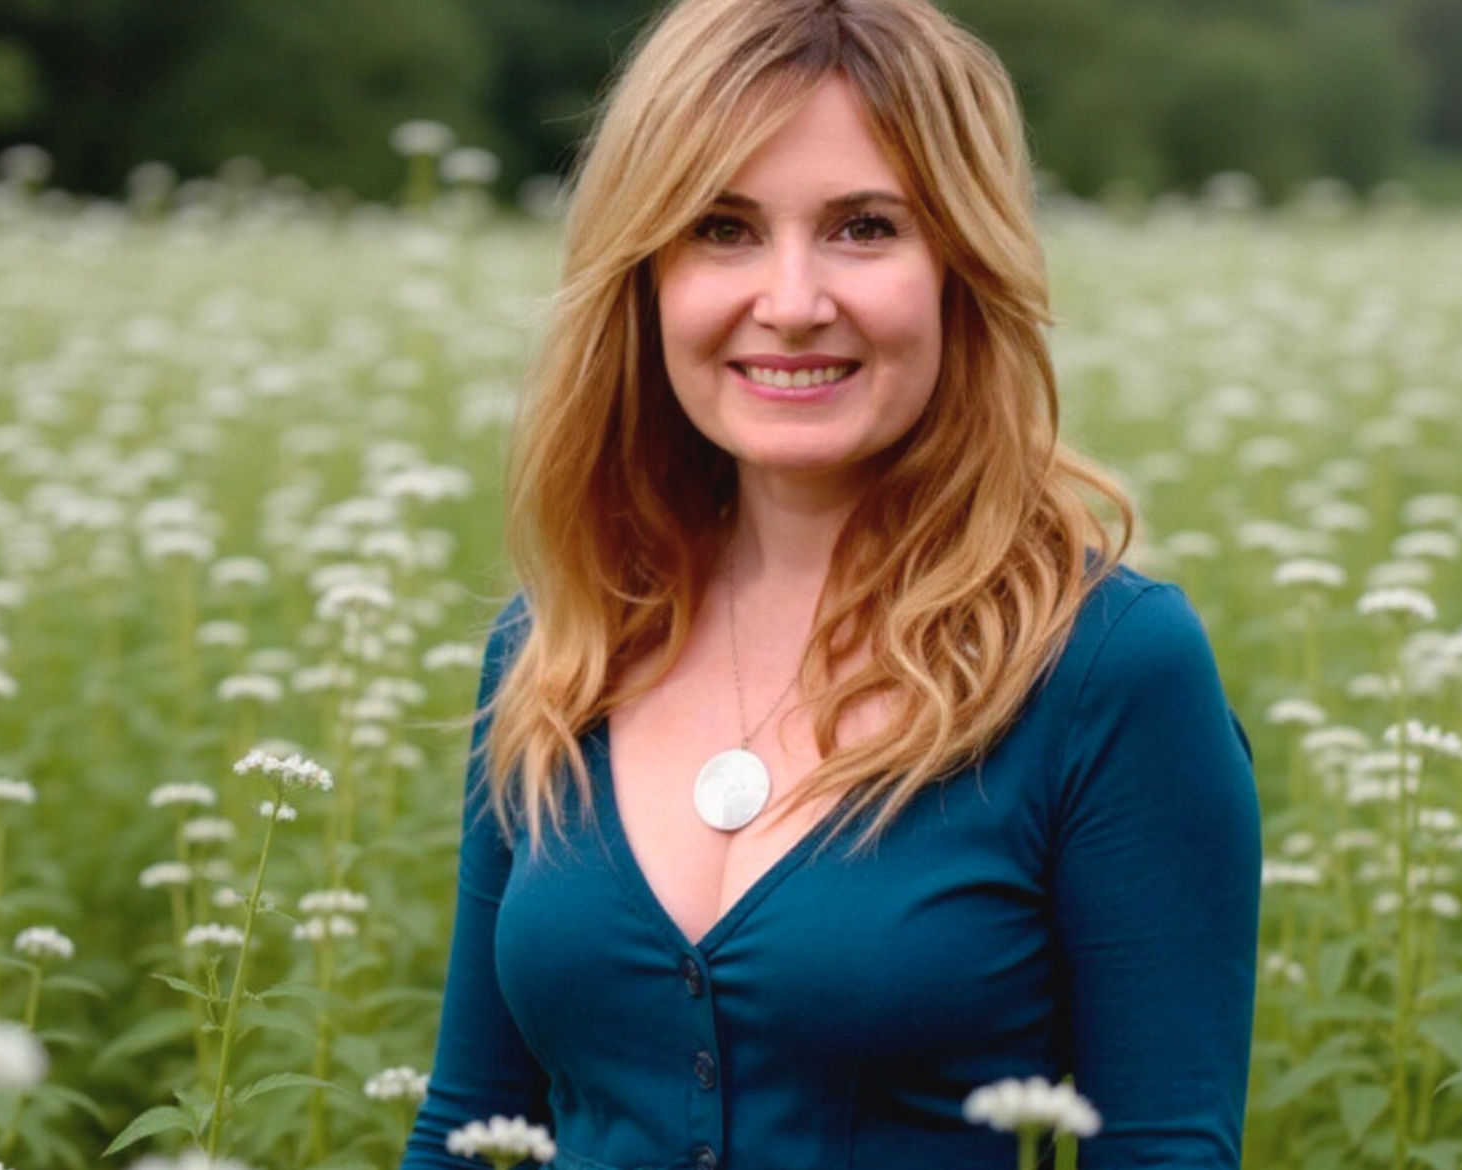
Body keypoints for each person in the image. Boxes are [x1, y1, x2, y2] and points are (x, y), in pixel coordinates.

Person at [402, 0, 1260, 1166]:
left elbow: (1162, 1150)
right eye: (722, 227)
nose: (794, 300)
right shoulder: (558, 646)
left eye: (863, 228)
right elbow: (469, 1126)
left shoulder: (1108, 669)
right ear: (644, 273)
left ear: (961, 264)